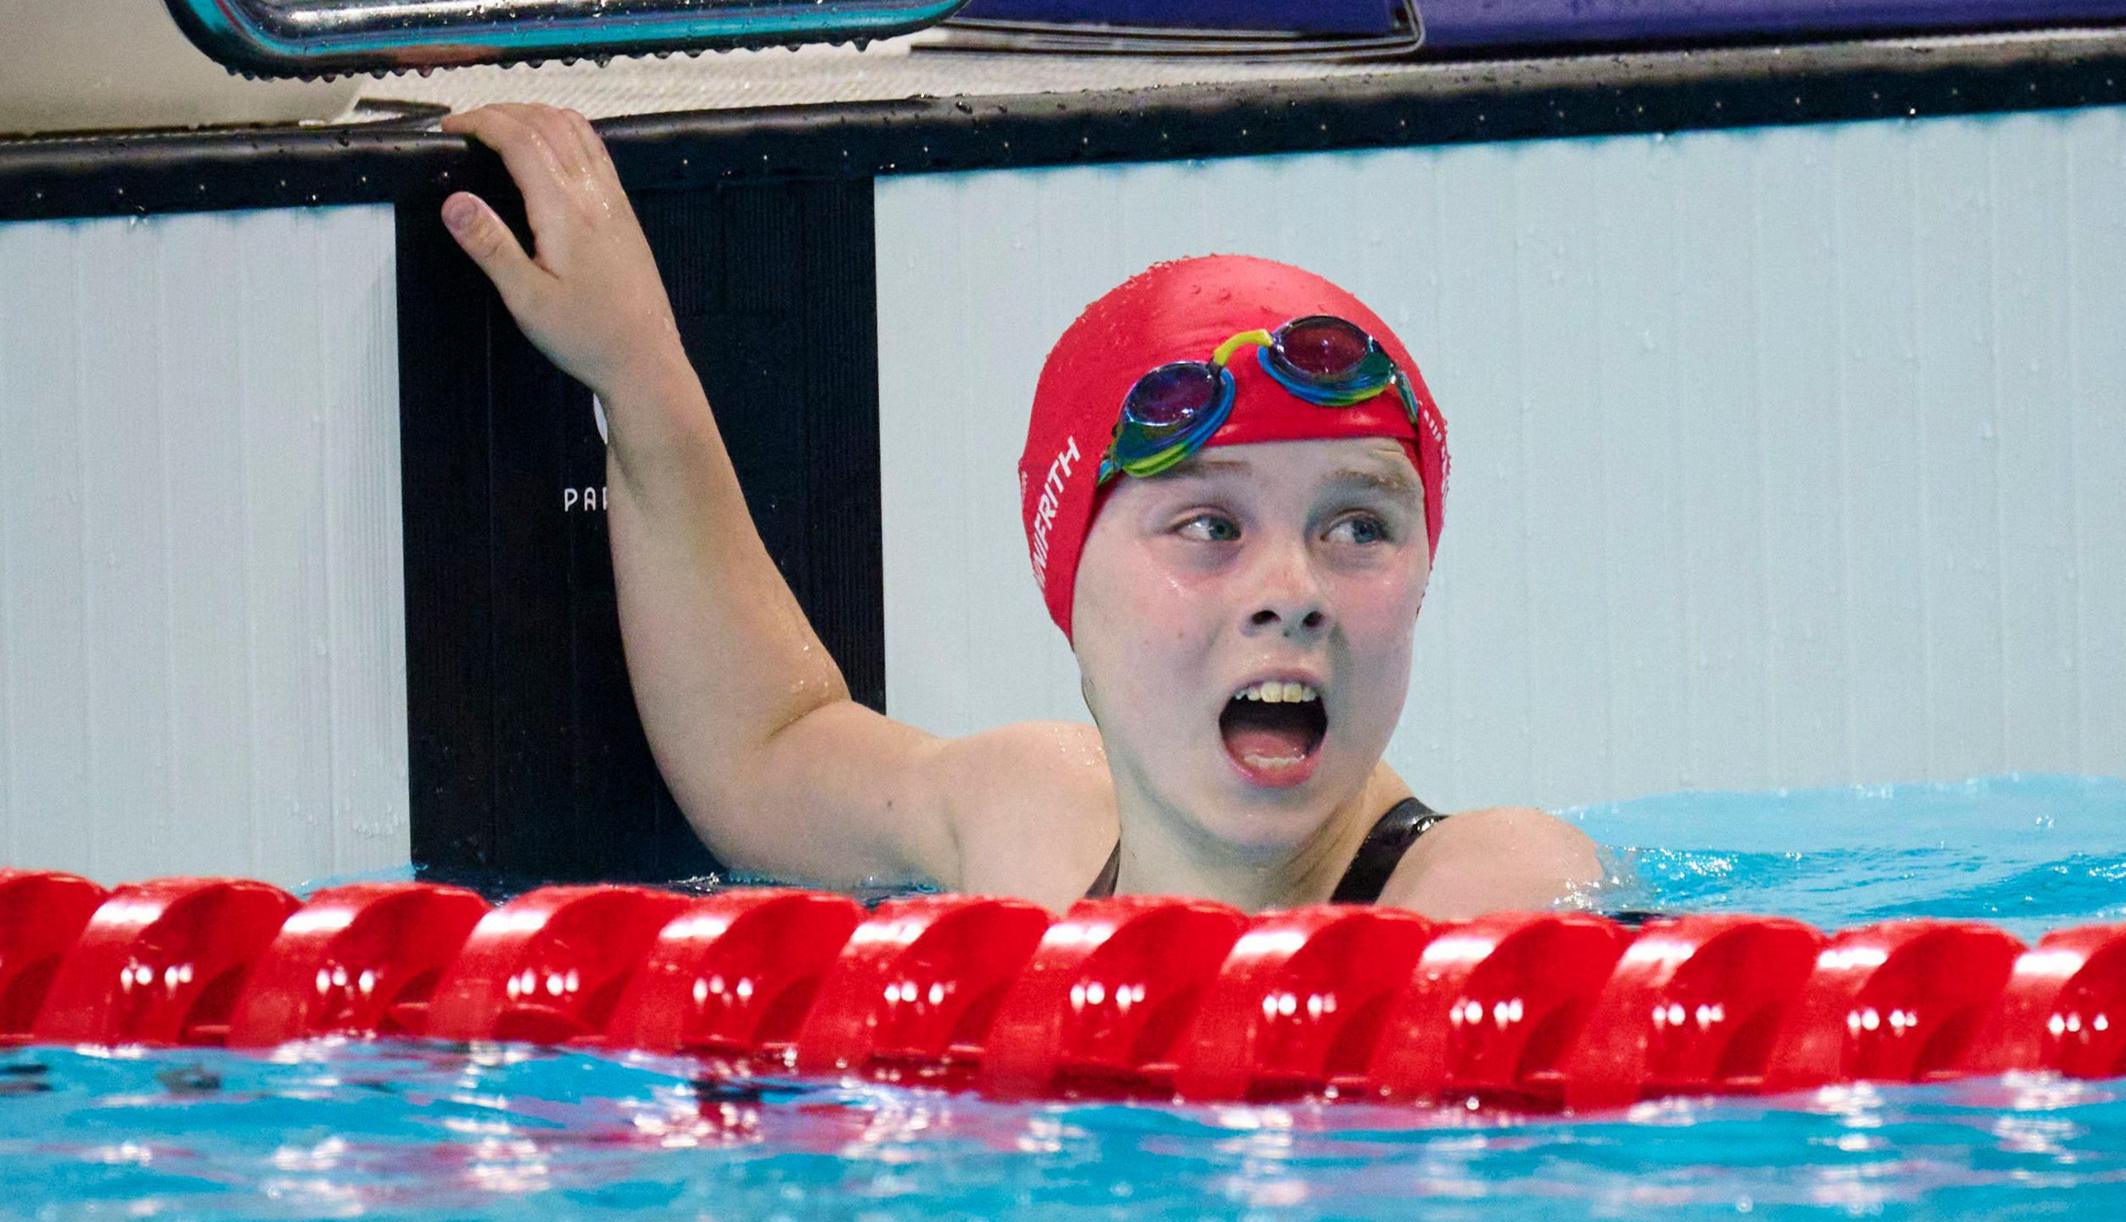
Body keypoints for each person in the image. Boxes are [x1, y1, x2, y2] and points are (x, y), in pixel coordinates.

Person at [437, 103, 1601, 917]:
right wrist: (640, 375)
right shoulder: (1037, 822)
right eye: (1209, 526)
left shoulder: (1491, 892)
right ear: (1067, 585)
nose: (1290, 595)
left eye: (1358, 527)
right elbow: (766, 750)